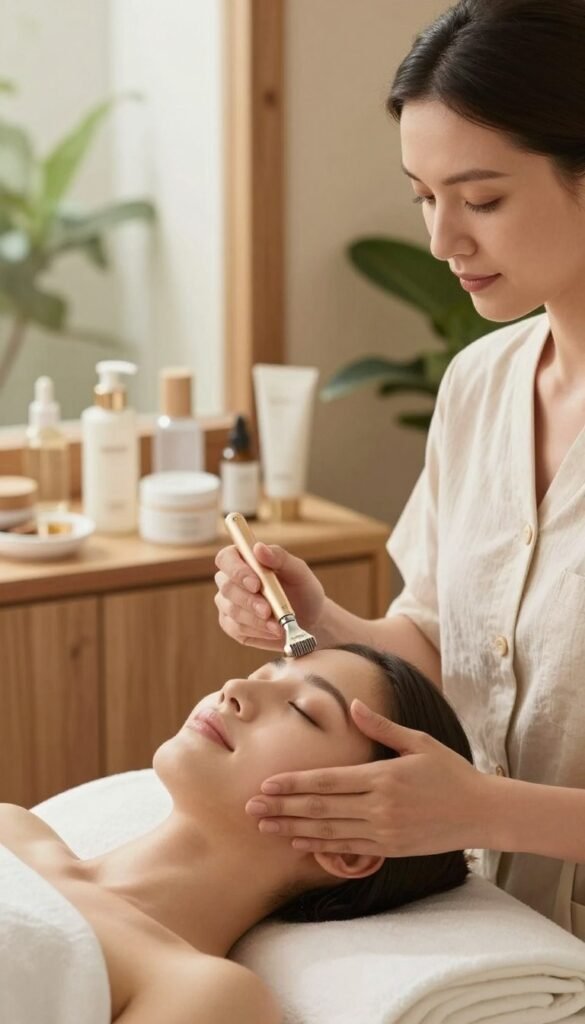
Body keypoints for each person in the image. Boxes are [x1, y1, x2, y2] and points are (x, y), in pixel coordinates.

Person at [214, 0, 585, 942]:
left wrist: (483, 811)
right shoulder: (480, 384)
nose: (441, 241)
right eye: (424, 196)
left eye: (482, 199)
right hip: (495, 937)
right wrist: (319, 619)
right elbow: (443, 641)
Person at [0, 644, 473, 1024]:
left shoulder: (206, 996)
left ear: (349, 848)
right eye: (262, 673)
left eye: (301, 710)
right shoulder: (13, 828)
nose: (233, 689)